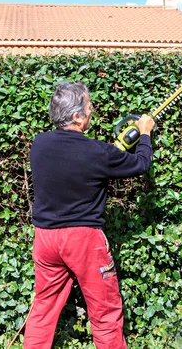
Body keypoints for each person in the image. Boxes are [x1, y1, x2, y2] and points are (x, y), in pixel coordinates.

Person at [23, 82, 155, 349]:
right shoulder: (98, 152)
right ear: (77, 116)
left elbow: (74, 159)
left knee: (43, 307)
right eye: (88, 106)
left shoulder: (39, 144)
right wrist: (144, 135)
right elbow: (142, 164)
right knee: (105, 312)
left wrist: (111, 152)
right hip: (83, 240)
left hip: (45, 239)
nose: (92, 110)